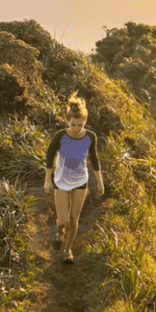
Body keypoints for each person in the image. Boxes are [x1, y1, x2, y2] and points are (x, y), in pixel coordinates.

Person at [43, 91, 103, 263]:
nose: (76, 129)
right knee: (62, 221)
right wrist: (47, 180)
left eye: (80, 125)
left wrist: (100, 182)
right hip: (61, 181)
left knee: (73, 218)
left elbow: (95, 159)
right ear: (67, 122)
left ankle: (67, 249)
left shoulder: (90, 137)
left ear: (85, 122)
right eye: (73, 125)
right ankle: (58, 233)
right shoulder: (60, 136)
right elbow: (49, 156)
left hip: (80, 181)